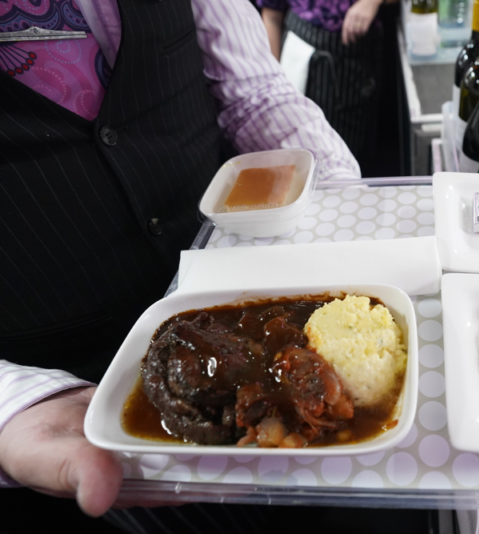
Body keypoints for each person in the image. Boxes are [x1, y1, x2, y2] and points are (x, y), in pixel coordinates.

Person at [0, 0, 359, 527]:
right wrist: (15, 401)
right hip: (61, 379)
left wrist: (348, 206)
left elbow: (256, 92)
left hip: (243, 293)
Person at [253, 0, 390, 175]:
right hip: (297, 57)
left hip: (355, 62)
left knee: (349, 166)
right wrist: (271, 84)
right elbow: (271, 15)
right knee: (300, 164)